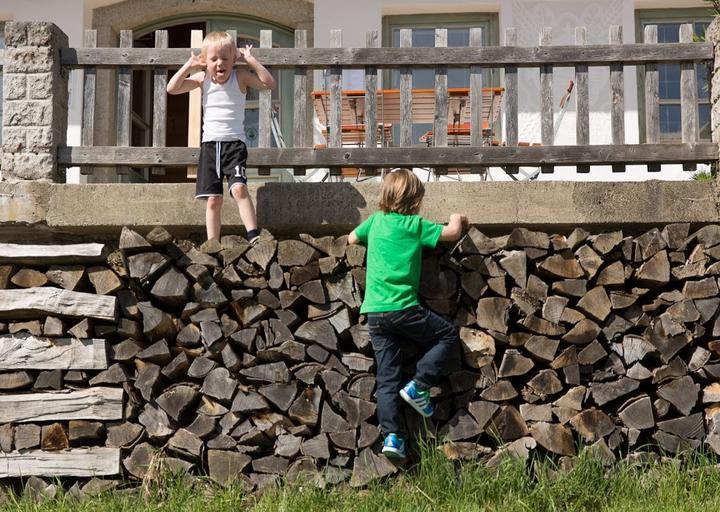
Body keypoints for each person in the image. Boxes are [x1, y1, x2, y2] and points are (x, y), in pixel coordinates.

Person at [347, 169, 467, 459]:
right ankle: (420, 385)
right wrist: (457, 218)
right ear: (416, 200)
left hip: (375, 313)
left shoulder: (375, 221)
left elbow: (351, 238)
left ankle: (392, 438)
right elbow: (451, 234)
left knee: (387, 378)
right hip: (404, 308)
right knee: (447, 336)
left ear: (386, 196)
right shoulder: (414, 225)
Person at [167, 31, 276, 243]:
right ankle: (213, 243)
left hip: (234, 145)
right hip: (210, 146)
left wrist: (251, 60)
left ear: (234, 59)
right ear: (205, 62)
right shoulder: (202, 79)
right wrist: (189, 67)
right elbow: (172, 89)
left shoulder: (240, 77)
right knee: (213, 200)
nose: (220, 63)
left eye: (225, 58)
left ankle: (253, 235)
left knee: (239, 189)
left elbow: (269, 83)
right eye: (214, 59)